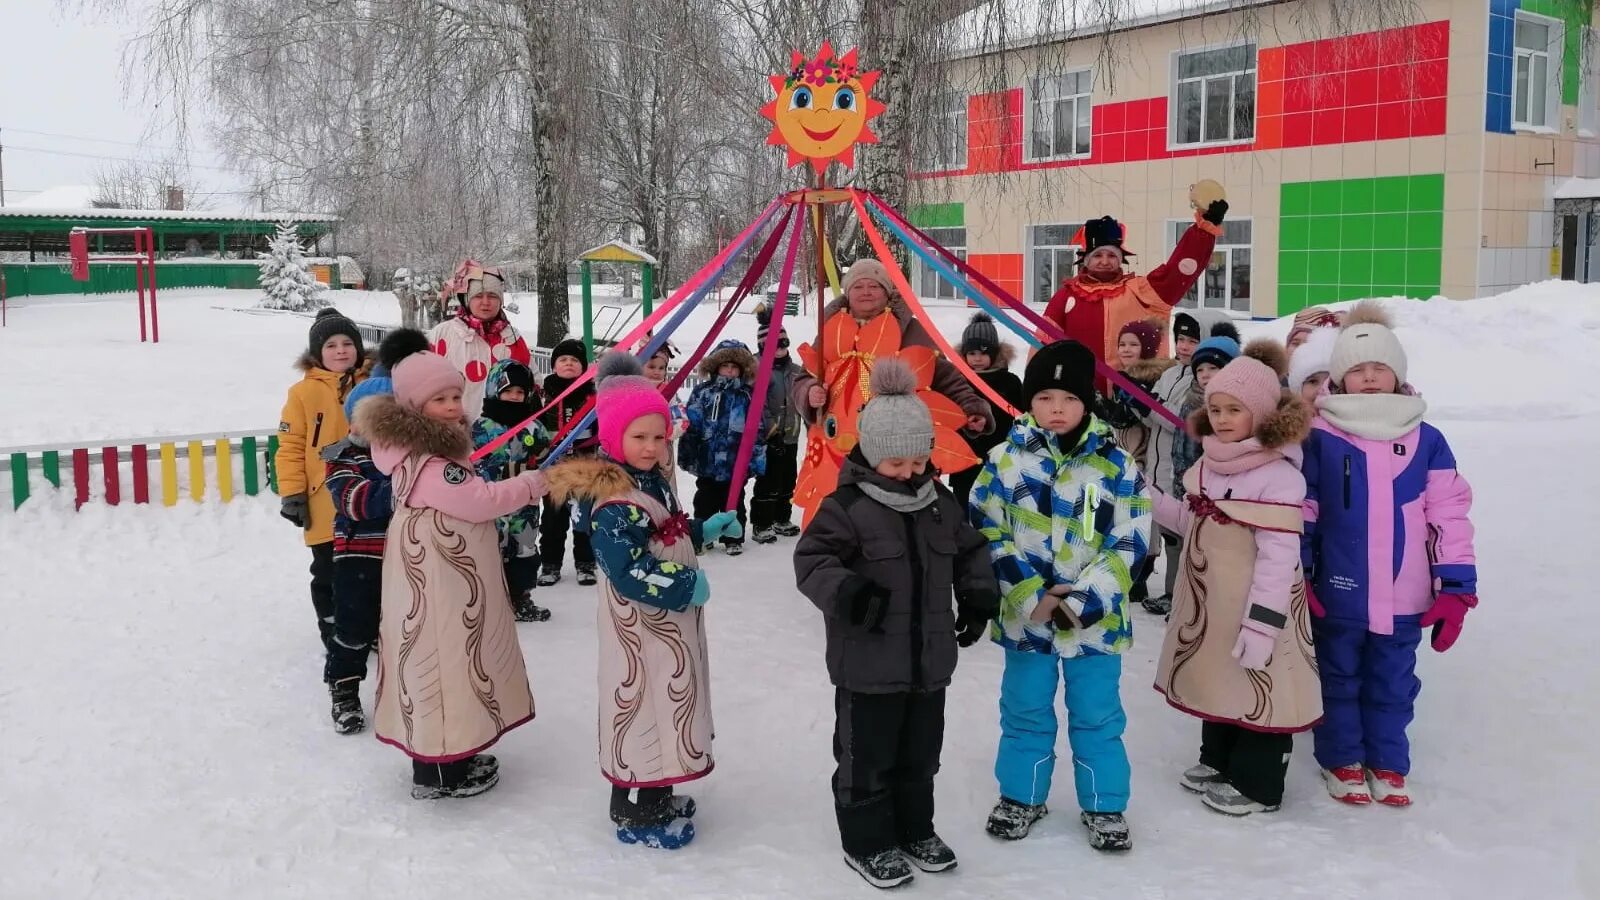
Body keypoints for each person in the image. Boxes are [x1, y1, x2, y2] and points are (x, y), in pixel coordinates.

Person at [794, 359, 1001, 890]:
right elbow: (813, 561)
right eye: (897, 463)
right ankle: (866, 841)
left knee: (919, 755)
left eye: (918, 459)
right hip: (867, 663)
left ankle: (914, 830)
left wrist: (977, 598)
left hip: (928, 663)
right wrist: (851, 594)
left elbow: (970, 552)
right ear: (869, 454)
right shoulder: (845, 507)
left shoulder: (941, 505)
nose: (910, 472)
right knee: (867, 757)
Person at [545, 352, 743, 850]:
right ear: (614, 440)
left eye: (659, 436)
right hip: (642, 628)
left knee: (669, 697)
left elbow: (663, 532)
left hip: (666, 627)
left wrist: (704, 529)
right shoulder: (612, 502)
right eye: (639, 437)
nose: (652, 446)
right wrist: (682, 585)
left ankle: (659, 789)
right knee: (644, 703)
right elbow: (628, 569)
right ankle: (636, 808)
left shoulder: (649, 481)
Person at [969, 340, 1151, 852]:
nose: (1055, 409)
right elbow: (986, 529)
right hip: (1027, 621)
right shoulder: (1004, 461)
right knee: (1025, 709)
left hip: (1095, 624)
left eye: (1067, 398)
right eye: (1044, 397)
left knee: (1097, 714)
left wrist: (1084, 599)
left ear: (1086, 402)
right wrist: (1030, 593)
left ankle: (1104, 804)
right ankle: (1022, 795)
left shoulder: (1116, 463)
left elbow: (1131, 537)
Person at [1301, 302, 1478, 808]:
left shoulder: (1427, 439)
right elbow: (1304, 508)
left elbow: (1449, 514)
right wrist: (1301, 573)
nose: (1370, 377)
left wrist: (1457, 588)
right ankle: (1342, 759)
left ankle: (1388, 761)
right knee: (1337, 676)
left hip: (1405, 593)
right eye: (1357, 369)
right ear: (1339, 379)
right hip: (1338, 590)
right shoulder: (1321, 435)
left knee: (1394, 681)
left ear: (1398, 374)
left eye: (1380, 367)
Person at [357, 348, 547, 800]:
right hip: (440, 583)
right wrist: (534, 483)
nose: (453, 406)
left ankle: (451, 753)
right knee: (445, 661)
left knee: (450, 661)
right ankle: (440, 771)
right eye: (439, 399)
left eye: (456, 396)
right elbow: (480, 500)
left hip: (439, 576)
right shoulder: (432, 463)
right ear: (413, 409)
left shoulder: (421, 450)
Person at [1150, 340, 1322, 816]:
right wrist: (1144, 494)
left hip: (1256, 607)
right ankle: (1219, 760)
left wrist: (1263, 624)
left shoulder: (1279, 477)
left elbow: (1278, 561)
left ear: (1263, 414)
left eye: (1235, 410)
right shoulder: (1209, 463)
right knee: (1220, 676)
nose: (1222, 419)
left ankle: (1259, 784)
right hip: (1215, 605)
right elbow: (1189, 523)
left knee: (1259, 686)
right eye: (1216, 409)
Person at [790, 258, 993, 523]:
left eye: (874, 285)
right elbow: (805, 377)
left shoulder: (910, 330)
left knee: (889, 521)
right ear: (847, 293)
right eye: (858, 286)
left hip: (894, 452)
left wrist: (970, 407)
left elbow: (944, 376)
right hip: (834, 450)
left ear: (887, 292)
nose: (865, 291)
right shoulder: (830, 330)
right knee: (839, 518)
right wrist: (809, 392)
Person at [318, 327, 429, 734]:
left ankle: (404, 695)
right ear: (357, 421)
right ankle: (344, 691)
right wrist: (406, 487)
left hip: (404, 559)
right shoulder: (342, 459)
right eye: (376, 421)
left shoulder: (408, 458)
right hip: (358, 562)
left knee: (404, 630)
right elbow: (356, 502)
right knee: (353, 630)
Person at [276, 308, 371, 654]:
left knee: (368, 570)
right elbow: (290, 446)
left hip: (368, 494)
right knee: (329, 571)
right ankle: (333, 630)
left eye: (348, 343)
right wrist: (293, 493)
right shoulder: (302, 394)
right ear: (318, 353)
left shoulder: (373, 384)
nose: (341, 350)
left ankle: (367, 628)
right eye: (331, 345)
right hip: (323, 499)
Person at [1040, 201, 1227, 370]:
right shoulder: (1066, 296)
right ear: (1085, 260)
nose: (1105, 261)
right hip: (1080, 396)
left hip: (1136, 396)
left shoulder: (1141, 291)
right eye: (1097, 255)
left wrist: (1204, 230)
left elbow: (1177, 272)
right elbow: (1042, 343)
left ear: (1121, 259)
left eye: (1112, 255)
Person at [1140, 310, 1239, 614]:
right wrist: (1136, 406)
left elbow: (1178, 422)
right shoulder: (1172, 373)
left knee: (1194, 542)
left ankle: (1192, 598)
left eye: (1192, 340)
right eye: (1180, 339)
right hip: (1166, 466)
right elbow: (1156, 412)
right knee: (1174, 536)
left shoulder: (1221, 395)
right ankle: (1174, 593)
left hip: (1198, 480)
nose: (1184, 346)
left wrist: (1150, 406)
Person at [472, 358, 553, 622]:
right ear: (494, 391)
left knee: (524, 551)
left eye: (520, 392)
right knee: (489, 551)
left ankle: (520, 597)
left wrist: (544, 469)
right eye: (508, 391)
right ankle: (489, 601)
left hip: (525, 506)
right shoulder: (479, 428)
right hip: (490, 503)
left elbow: (546, 458)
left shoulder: (534, 427)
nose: (514, 397)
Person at [680, 339, 768, 556]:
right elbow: (693, 423)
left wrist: (756, 460)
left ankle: (732, 537)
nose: (729, 371)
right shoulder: (703, 392)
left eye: (734, 367)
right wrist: (688, 449)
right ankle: (704, 534)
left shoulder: (747, 396)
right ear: (715, 367)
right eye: (725, 366)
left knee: (734, 501)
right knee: (704, 500)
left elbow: (757, 429)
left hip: (735, 462)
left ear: (741, 370)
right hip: (708, 460)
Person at [426, 260, 532, 420]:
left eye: (492, 296)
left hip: (503, 436)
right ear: (467, 299)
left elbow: (533, 383)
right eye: (478, 296)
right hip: (453, 434)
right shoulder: (443, 334)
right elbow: (421, 386)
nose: (485, 302)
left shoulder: (512, 337)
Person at [538, 338, 598, 586]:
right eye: (563, 360)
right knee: (552, 520)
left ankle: (586, 563)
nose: (569, 364)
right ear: (554, 366)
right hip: (554, 469)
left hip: (585, 468)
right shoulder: (543, 394)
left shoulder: (593, 395)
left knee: (584, 518)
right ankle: (550, 564)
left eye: (574, 360)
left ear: (584, 367)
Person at [950, 313, 1023, 508]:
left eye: (983, 353)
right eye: (971, 353)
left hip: (1000, 461)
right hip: (964, 463)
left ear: (995, 354)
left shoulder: (1010, 382)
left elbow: (1022, 419)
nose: (977, 359)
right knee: (963, 512)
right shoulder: (956, 382)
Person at [750, 305, 805, 543]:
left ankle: (782, 518)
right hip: (769, 437)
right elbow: (757, 404)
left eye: (784, 343)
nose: (780, 349)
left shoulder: (796, 371)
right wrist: (771, 431)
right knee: (768, 481)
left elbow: (803, 398)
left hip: (791, 435)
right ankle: (762, 523)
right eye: (774, 345)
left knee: (788, 479)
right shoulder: (757, 370)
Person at [1171, 335, 1243, 503]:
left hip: (1217, 490)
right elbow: (1180, 449)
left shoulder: (1236, 404)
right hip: (1187, 484)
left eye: (1212, 368)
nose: (1205, 375)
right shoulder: (1190, 401)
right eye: (1199, 370)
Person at [1286, 325, 1338, 407]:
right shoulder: (1285, 419)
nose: (1321, 389)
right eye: (1313, 381)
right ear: (1299, 388)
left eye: (1330, 383)